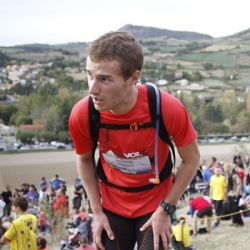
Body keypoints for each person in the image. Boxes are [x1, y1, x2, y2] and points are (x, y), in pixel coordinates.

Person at [68, 31, 200, 250]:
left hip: (155, 203)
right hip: (112, 204)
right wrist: (97, 212)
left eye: (104, 79)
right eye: (89, 75)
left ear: (133, 78)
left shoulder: (166, 108)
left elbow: (192, 159)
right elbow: (84, 159)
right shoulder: (83, 113)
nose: (92, 88)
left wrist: (167, 209)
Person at [224, 162, 244, 227]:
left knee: (236, 209)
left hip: (236, 194)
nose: (224, 169)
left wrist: (236, 195)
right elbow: (228, 185)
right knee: (231, 208)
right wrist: (226, 195)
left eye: (225, 167)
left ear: (228, 167)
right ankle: (234, 221)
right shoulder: (228, 175)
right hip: (231, 193)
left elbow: (239, 184)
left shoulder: (235, 175)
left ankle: (240, 223)